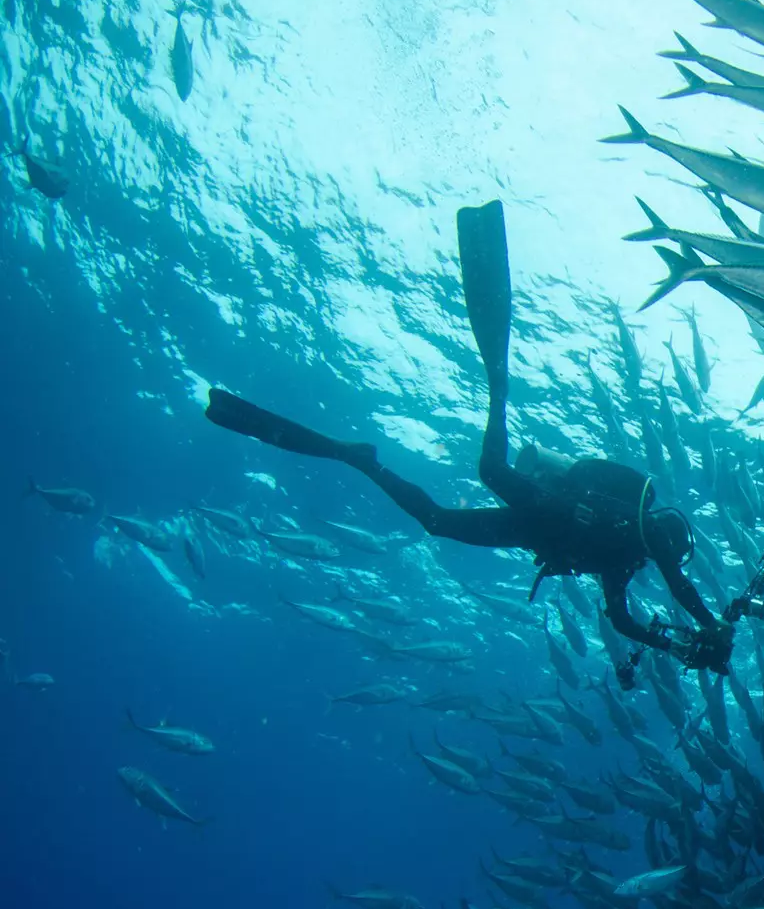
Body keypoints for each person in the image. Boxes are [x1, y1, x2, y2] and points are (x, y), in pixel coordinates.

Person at [204, 199, 736, 681]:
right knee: (489, 470)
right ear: (667, 532)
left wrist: (671, 646)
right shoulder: (647, 522)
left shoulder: (626, 561)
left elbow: (620, 615)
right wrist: (712, 625)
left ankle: (360, 460)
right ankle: (497, 382)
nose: (665, 556)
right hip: (548, 508)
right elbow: (679, 583)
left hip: (533, 534)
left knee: (436, 522)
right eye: (670, 549)